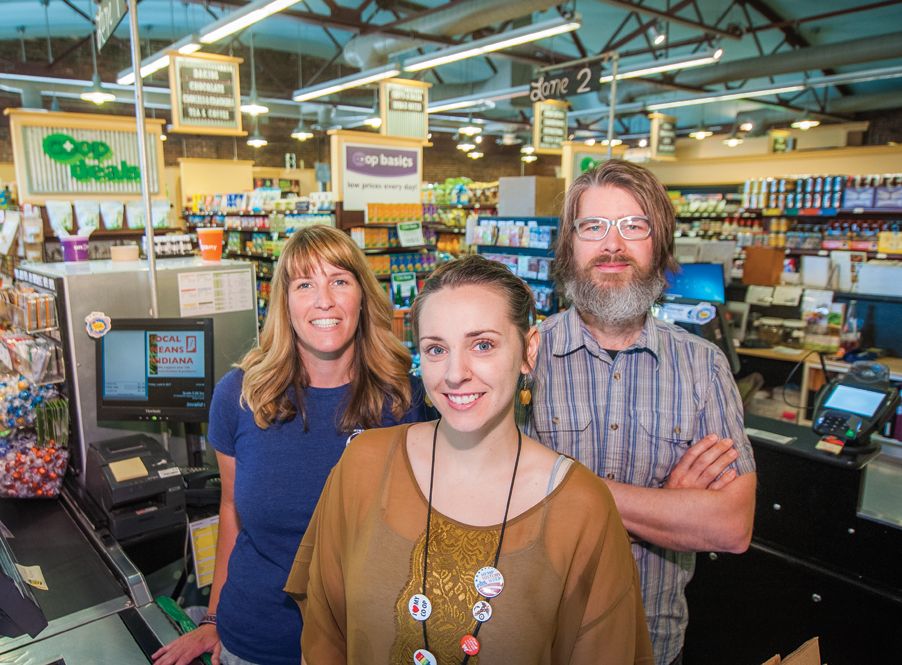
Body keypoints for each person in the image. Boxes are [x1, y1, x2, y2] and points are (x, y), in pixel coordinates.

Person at [287, 255, 653, 665]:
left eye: (482, 345)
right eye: (437, 348)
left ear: (529, 350)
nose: (455, 373)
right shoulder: (363, 466)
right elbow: (323, 639)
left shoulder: (582, 507)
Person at [152, 225, 432, 665]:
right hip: (255, 642)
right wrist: (211, 619)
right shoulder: (239, 396)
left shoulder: (405, 400)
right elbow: (231, 512)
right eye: (305, 284)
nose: (324, 300)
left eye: (339, 281)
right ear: (284, 302)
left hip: (367, 643)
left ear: (362, 295)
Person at [523, 159, 756, 665]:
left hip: (651, 644)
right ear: (569, 246)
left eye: (634, 226)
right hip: (536, 640)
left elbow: (731, 526)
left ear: (660, 245)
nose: (613, 245)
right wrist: (666, 507)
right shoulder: (524, 357)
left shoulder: (703, 366)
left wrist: (561, 491)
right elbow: (494, 500)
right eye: (593, 227)